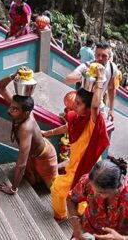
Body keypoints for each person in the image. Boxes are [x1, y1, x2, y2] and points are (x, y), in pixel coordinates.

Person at [43, 64, 110, 220]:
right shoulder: (77, 118)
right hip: (75, 163)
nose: (74, 105)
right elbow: (69, 128)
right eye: (76, 101)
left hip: (87, 165)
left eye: (79, 104)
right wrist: (48, 132)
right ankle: (78, 217)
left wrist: (100, 80)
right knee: (80, 194)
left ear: (88, 109)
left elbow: (95, 106)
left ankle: (60, 217)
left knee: (58, 190)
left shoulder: (92, 121)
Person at [0, 70, 58, 194]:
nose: (10, 111)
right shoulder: (21, 105)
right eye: (11, 107)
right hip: (33, 154)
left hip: (46, 158)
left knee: (52, 189)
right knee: (32, 181)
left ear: (26, 113)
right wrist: (13, 76)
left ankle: (62, 166)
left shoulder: (25, 129)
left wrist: (13, 189)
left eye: (15, 110)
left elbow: (21, 164)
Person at [67, 157, 128, 239]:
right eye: (93, 189)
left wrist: (122, 238)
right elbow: (71, 199)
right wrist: (76, 224)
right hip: (85, 231)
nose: (94, 195)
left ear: (116, 188)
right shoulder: (89, 180)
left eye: (101, 193)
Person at [64, 42, 118, 121]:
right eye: (98, 55)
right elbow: (67, 79)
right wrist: (85, 77)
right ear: (94, 55)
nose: (100, 58)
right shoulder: (87, 66)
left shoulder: (112, 68)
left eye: (104, 56)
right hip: (82, 105)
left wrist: (111, 109)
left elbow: (111, 88)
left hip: (99, 104)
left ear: (109, 57)